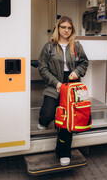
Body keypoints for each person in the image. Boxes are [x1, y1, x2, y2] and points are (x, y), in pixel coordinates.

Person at [38, 16, 89, 166]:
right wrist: (55, 83)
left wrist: (77, 72)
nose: (66, 30)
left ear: (72, 30)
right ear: (58, 28)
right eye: (63, 27)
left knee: (68, 119)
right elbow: (42, 68)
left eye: (69, 28)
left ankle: (63, 151)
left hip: (72, 84)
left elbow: (84, 62)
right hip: (54, 82)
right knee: (48, 113)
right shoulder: (49, 46)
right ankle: (43, 121)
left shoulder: (77, 46)